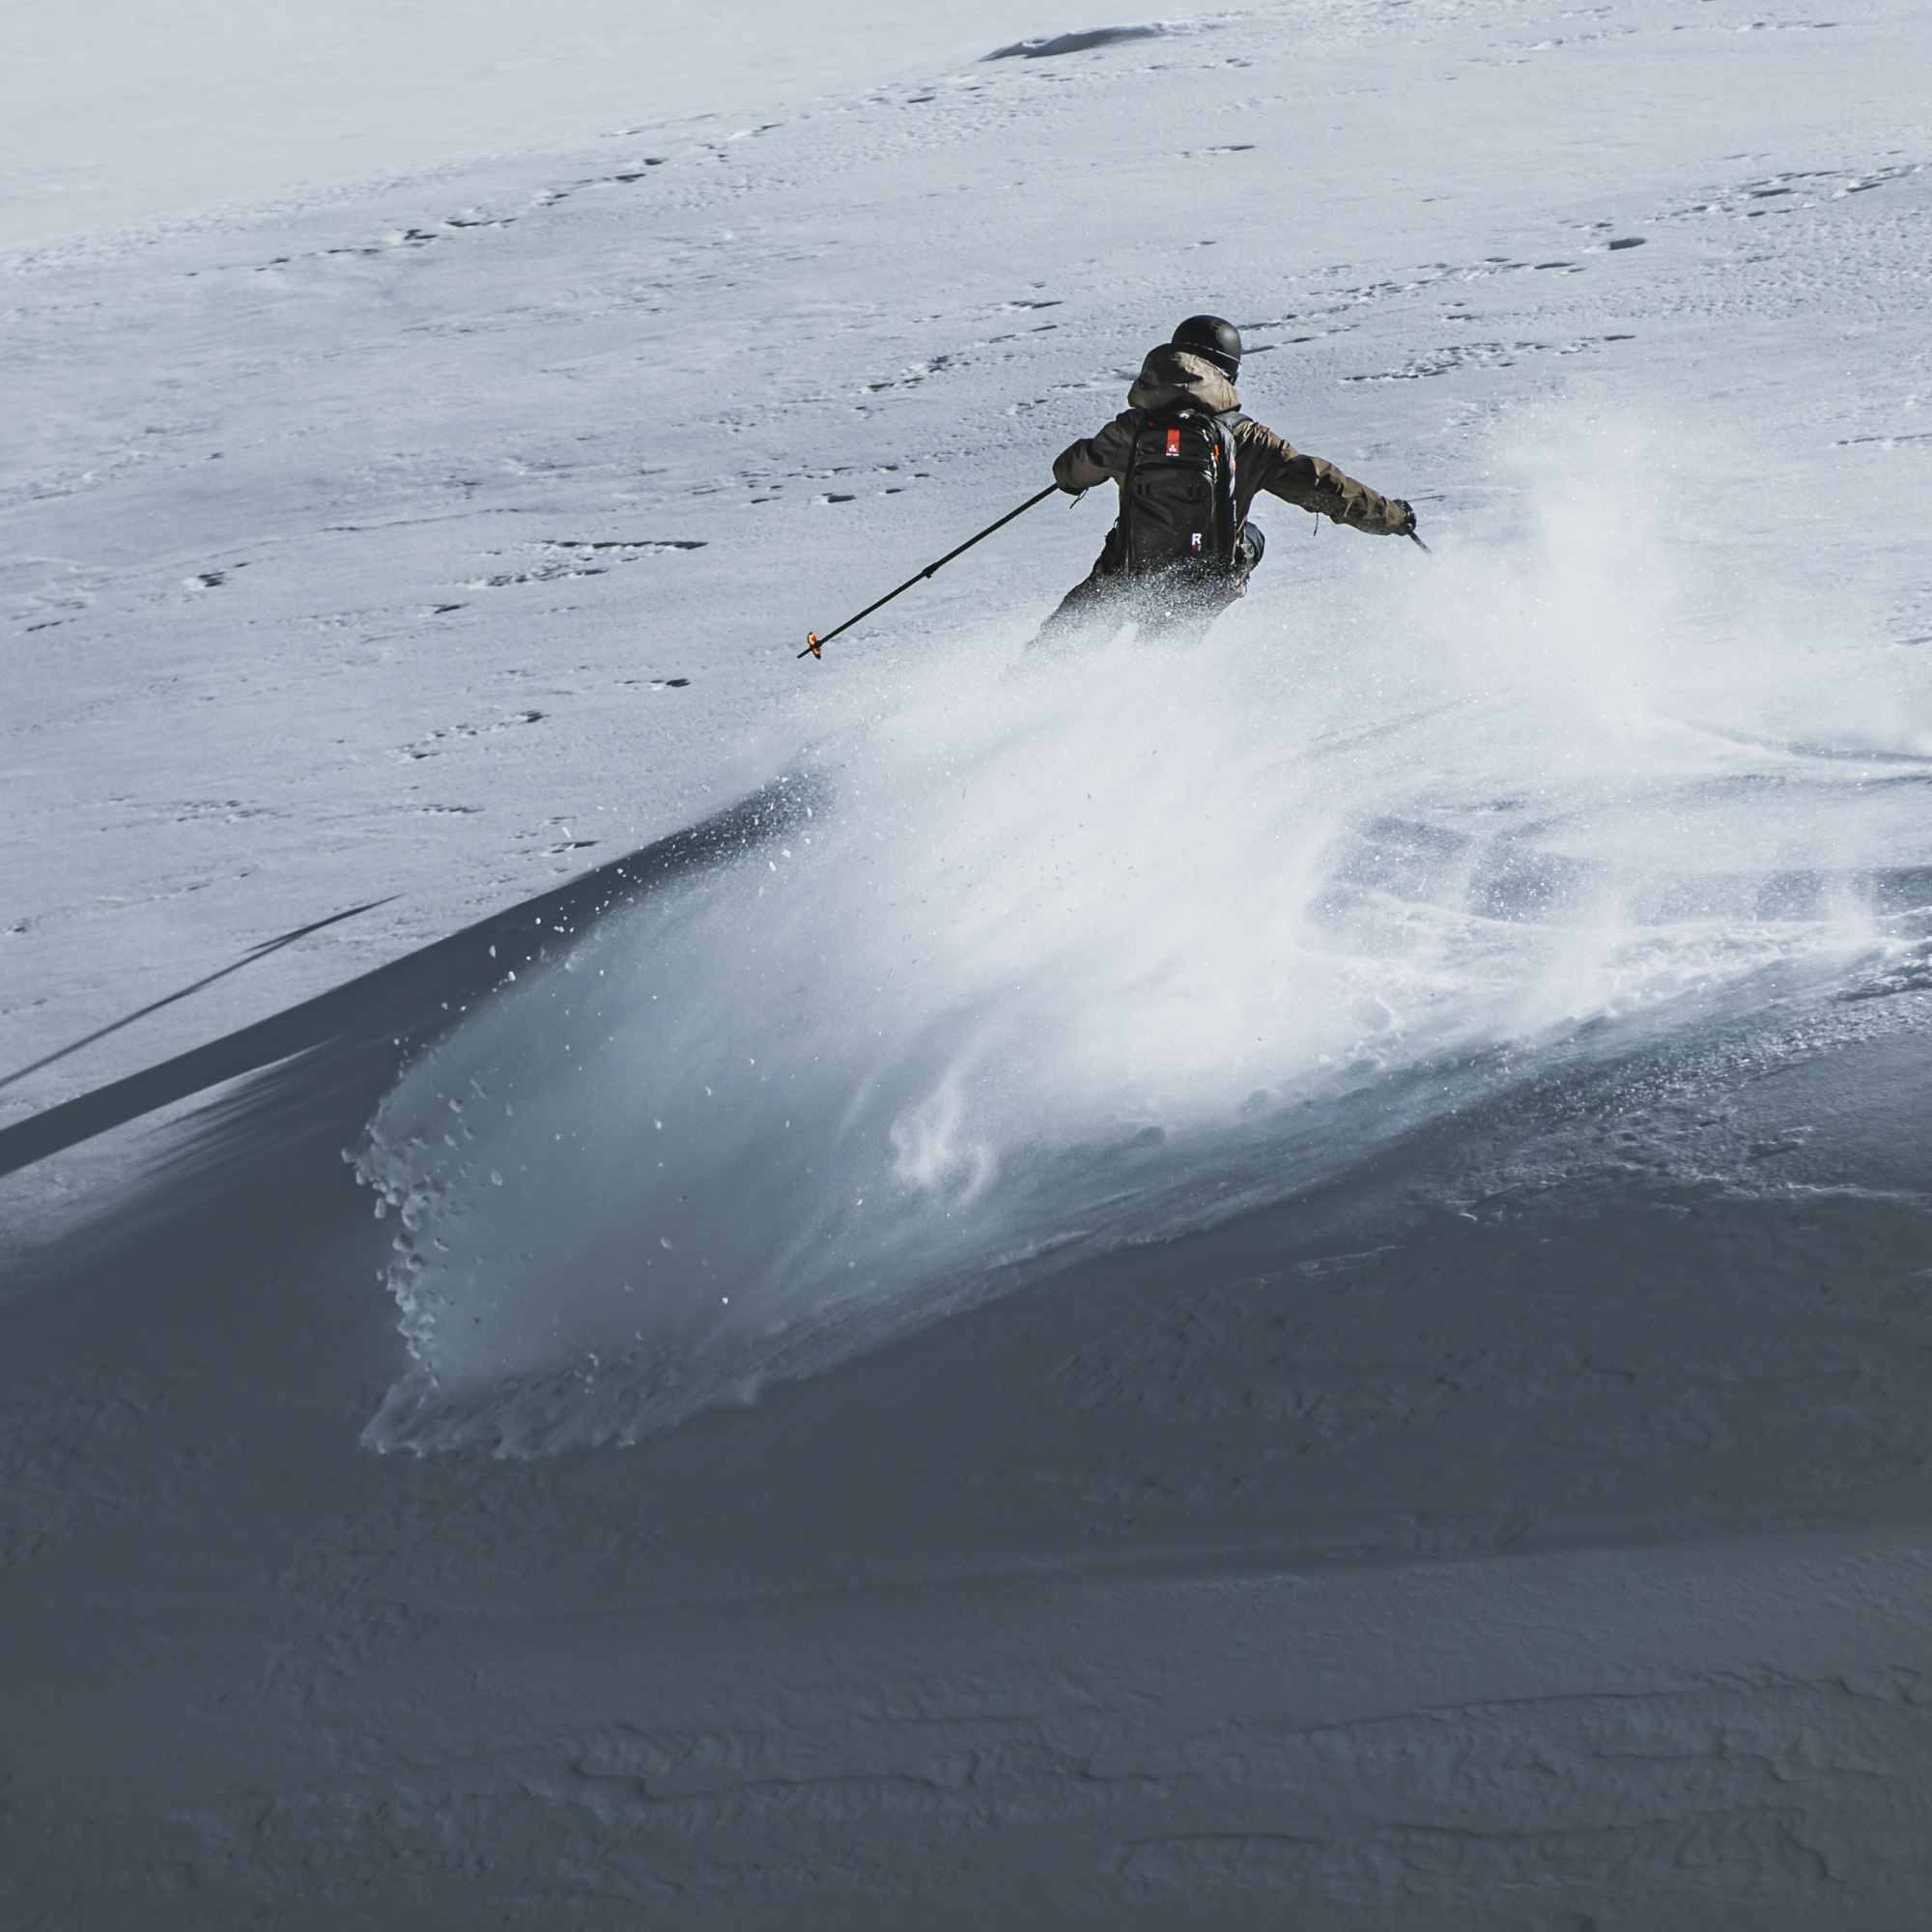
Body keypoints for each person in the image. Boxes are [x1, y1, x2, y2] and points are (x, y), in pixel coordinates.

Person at [1035, 314, 1417, 644]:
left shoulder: (1132, 429)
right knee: (1251, 539)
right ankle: (1143, 717)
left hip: (1126, 572)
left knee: (1061, 647)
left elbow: (1072, 469)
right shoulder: (1249, 438)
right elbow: (1326, 488)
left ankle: (1015, 701)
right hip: (1202, 585)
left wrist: (1070, 479)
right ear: (1228, 371)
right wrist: (1393, 517)